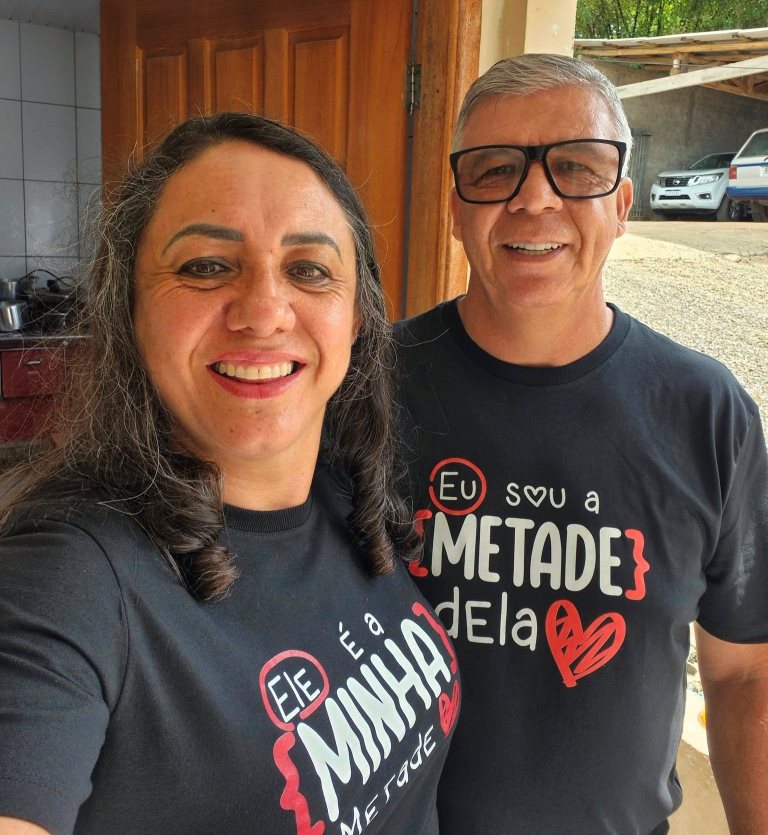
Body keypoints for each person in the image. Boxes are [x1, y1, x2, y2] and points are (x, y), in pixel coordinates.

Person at [0, 112, 460, 835]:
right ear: (130, 310)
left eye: (309, 269)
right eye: (206, 266)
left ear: (356, 318)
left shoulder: (346, 492)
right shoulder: (68, 578)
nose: (264, 312)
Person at [395, 53, 768, 834]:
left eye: (576, 167)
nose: (534, 197)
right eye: (495, 169)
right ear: (456, 207)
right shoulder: (362, 391)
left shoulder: (708, 414)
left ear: (623, 202)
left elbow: (744, 675)